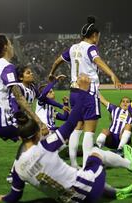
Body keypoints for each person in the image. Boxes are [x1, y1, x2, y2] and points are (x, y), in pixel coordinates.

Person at [0, 112, 132, 203]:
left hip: (70, 200)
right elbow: (70, 123)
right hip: (89, 191)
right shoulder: (45, 147)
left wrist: (4, 198)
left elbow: (15, 196)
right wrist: (82, 93)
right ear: (38, 134)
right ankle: (129, 163)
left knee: (79, 175)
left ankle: (116, 193)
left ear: (20, 138)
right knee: (95, 152)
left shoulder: (18, 167)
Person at [49, 16, 121, 168]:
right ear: (94, 35)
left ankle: (74, 164)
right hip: (88, 91)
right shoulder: (91, 48)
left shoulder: (73, 48)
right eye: (98, 35)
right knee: (89, 131)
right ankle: (87, 166)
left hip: (74, 92)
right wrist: (112, 74)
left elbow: (57, 61)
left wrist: (52, 73)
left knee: (77, 127)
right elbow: (97, 61)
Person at [0, 34, 48, 142]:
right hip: (4, 122)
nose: (12, 47)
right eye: (11, 44)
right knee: (43, 135)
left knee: (30, 144)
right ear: (6, 47)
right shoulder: (7, 67)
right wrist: (39, 122)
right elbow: (19, 98)